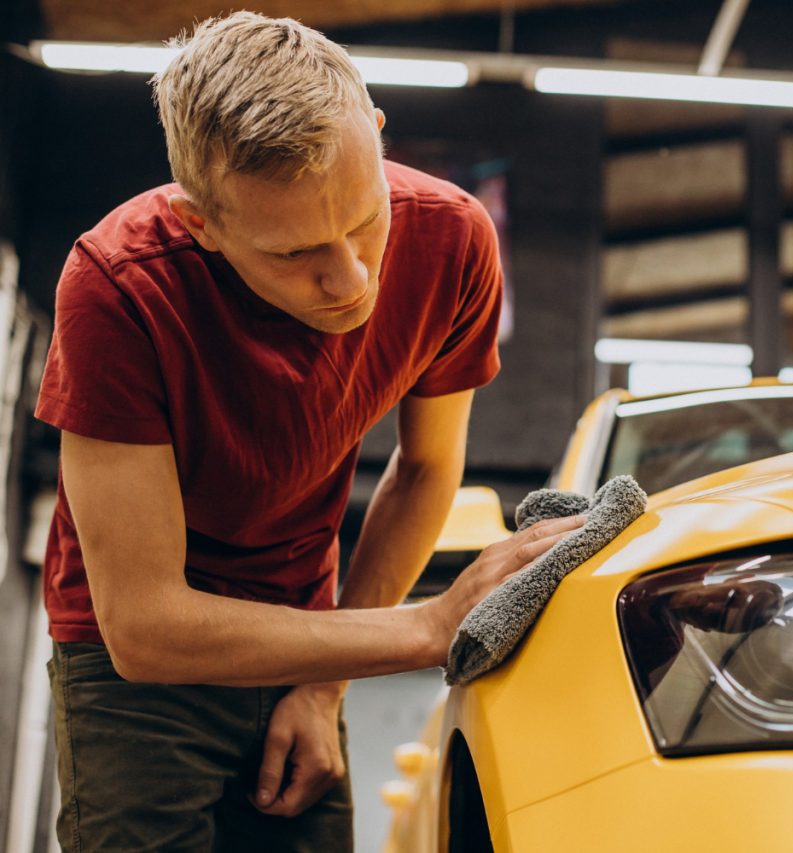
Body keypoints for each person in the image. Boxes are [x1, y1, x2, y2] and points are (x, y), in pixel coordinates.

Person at [35, 12, 580, 851]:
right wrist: (430, 626)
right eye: (294, 254)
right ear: (201, 224)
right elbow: (144, 625)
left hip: (306, 627)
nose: (351, 278)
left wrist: (324, 685)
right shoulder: (116, 287)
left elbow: (425, 470)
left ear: (378, 134)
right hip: (133, 670)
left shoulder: (455, 240)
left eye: (364, 220)